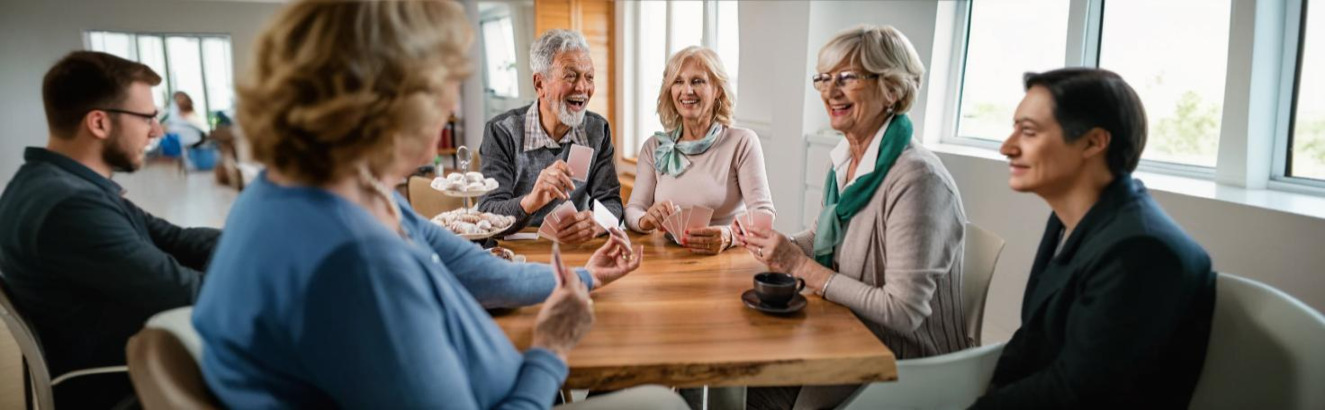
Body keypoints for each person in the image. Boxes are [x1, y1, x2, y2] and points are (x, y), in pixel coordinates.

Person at [191, 2, 683, 409]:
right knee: (661, 399)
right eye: (444, 82)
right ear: (388, 99)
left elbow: (478, 270)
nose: (451, 101)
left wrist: (586, 276)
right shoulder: (357, 264)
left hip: (501, 375)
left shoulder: (333, 190)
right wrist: (550, 350)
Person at [740, 25, 970, 409]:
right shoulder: (845, 160)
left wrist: (800, 266)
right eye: (825, 78)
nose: (830, 91)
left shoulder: (917, 179)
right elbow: (823, 237)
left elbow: (902, 311)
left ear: (893, 89)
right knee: (749, 383)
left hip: (902, 365)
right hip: (848, 335)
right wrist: (777, 245)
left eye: (848, 78)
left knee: (763, 387)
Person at [972, 68, 1216, 409]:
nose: (1007, 147)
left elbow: (1078, 394)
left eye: (1028, 131)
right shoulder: (1066, 221)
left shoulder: (1141, 251)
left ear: (1093, 142)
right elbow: (1033, 341)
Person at [0, 51, 220, 408]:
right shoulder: (69, 207)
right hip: (124, 381)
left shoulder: (56, 184)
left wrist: (242, 246)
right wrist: (248, 267)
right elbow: (192, 297)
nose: (156, 130)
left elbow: (175, 238)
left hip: (126, 354)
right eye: (147, 117)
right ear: (99, 123)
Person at [625, 46, 774, 255]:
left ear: (717, 90)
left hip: (728, 258)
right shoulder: (654, 146)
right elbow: (633, 209)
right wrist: (645, 220)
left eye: (697, 81)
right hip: (670, 259)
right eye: (678, 82)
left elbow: (763, 214)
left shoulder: (742, 142)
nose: (687, 91)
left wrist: (729, 236)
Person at [479, 29, 623, 244]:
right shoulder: (502, 131)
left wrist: (598, 222)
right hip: (517, 250)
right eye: (570, 76)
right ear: (540, 84)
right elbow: (489, 212)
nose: (583, 87)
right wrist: (530, 202)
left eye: (589, 77)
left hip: (574, 249)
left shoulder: (598, 130)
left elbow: (611, 201)